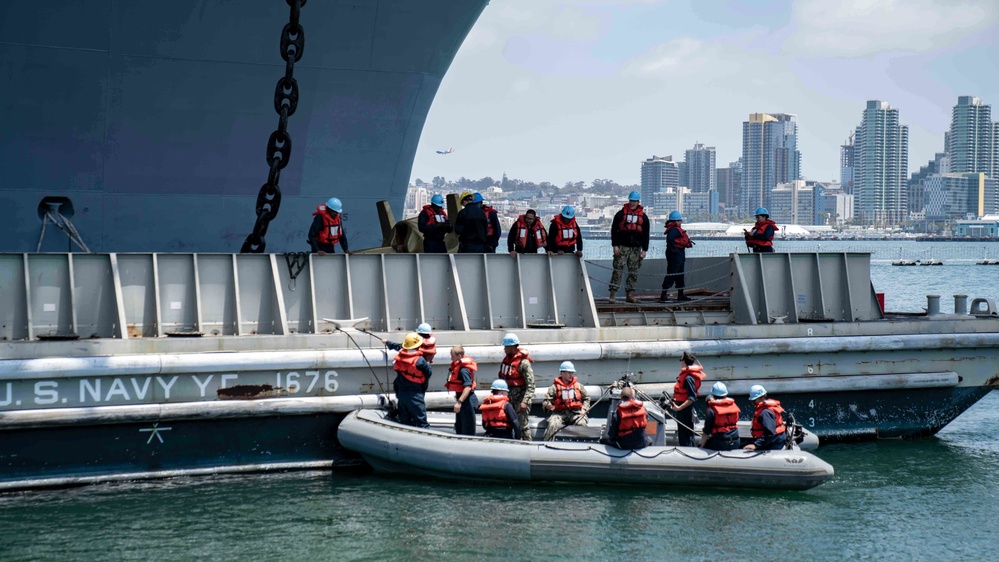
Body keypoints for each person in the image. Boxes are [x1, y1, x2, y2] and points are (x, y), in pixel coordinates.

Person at [609, 191, 650, 303]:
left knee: (633, 272)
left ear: (638, 202)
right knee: (617, 270)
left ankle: (630, 295)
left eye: (634, 201)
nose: (632, 203)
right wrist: (615, 245)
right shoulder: (620, 214)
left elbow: (646, 234)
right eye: (631, 200)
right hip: (622, 247)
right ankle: (612, 296)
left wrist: (644, 249)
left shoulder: (644, 217)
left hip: (636, 249)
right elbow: (614, 231)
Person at [498, 332, 536, 440]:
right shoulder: (506, 361)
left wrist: (524, 401)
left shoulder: (523, 363)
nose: (504, 349)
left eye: (506, 347)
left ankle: (528, 445)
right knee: (508, 423)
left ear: (512, 347)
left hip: (521, 399)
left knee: (522, 425)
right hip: (508, 398)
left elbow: (531, 385)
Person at [392, 332, 433, 428]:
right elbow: (428, 373)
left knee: (404, 419)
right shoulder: (420, 360)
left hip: (401, 393)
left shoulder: (400, 357)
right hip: (414, 394)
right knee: (421, 420)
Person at [542, 361, 591, 441]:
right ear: (562, 373)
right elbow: (546, 401)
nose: (571, 375)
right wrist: (548, 405)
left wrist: (584, 409)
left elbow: (587, 398)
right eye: (569, 373)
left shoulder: (578, 386)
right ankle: (548, 443)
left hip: (575, 413)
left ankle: (582, 445)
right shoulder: (554, 388)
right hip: (560, 413)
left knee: (581, 423)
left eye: (572, 373)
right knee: (553, 424)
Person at [671, 351, 705, 447]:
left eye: (680, 360)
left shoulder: (688, 378)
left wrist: (679, 408)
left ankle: (688, 452)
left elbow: (691, 398)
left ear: (684, 362)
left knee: (685, 435)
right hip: (682, 408)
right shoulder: (686, 376)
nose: (680, 362)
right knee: (685, 434)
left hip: (685, 411)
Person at [660, 210, 694, 302]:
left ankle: (680, 294)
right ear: (676, 221)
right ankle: (664, 294)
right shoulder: (674, 230)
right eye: (679, 221)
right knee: (672, 274)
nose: (681, 222)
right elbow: (670, 240)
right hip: (675, 255)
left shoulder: (673, 229)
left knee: (679, 274)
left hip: (679, 254)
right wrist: (675, 251)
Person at [445, 345, 479, 436]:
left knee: (467, 429)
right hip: (462, 399)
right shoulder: (458, 367)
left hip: (467, 401)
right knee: (460, 426)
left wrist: (459, 402)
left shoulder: (463, 370)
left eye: (452, 356)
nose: (451, 358)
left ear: (459, 356)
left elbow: (468, 387)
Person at [744, 385, 788, 451]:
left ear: (762, 398)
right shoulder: (766, 410)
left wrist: (756, 445)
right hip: (775, 440)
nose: (752, 403)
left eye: (754, 401)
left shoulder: (765, 413)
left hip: (773, 443)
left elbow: (770, 433)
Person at [700, 382, 741, 451]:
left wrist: (701, 446)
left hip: (720, 443)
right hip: (735, 442)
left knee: (703, 445)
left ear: (713, 395)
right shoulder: (733, 406)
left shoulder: (711, 410)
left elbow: (706, 432)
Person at [606, 385, 648, 450]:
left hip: (624, 444)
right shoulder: (643, 409)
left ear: (621, 398)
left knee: (605, 441)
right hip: (641, 442)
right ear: (633, 396)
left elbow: (612, 433)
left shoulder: (618, 413)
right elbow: (645, 423)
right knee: (650, 439)